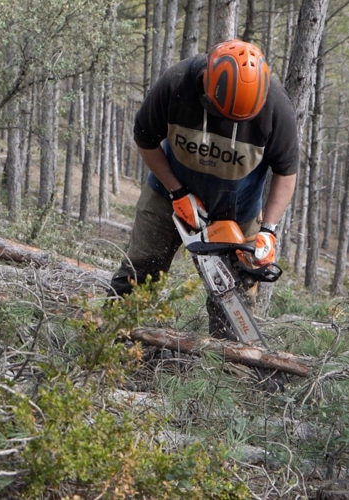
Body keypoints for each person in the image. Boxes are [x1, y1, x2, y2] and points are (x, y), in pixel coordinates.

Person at [110, 39, 299, 340]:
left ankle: (229, 360)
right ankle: (110, 341)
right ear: (207, 85)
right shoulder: (177, 83)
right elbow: (144, 138)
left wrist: (269, 229)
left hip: (238, 210)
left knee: (237, 293)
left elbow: (286, 172)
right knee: (141, 269)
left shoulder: (276, 108)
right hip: (168, 196)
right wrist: (176, 191)